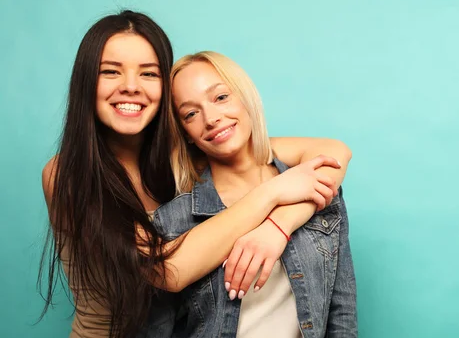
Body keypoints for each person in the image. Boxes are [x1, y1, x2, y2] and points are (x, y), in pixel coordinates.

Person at [39, 10, 352, 338]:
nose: (131, 87)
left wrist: (279, 226)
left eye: (148, 74)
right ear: (86, 80)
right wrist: (272, 193)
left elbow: (332, 152)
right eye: (110, 71)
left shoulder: (184, 157)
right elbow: (168, 271)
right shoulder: (67, 174)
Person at [144, 50, 357, 337]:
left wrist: (276, 228)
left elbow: (341, 314)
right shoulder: (172, 221)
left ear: (245, 97)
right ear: (185, 133)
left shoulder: (312, 185)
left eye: (221, 97)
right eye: (191, 113)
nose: (211, 118)